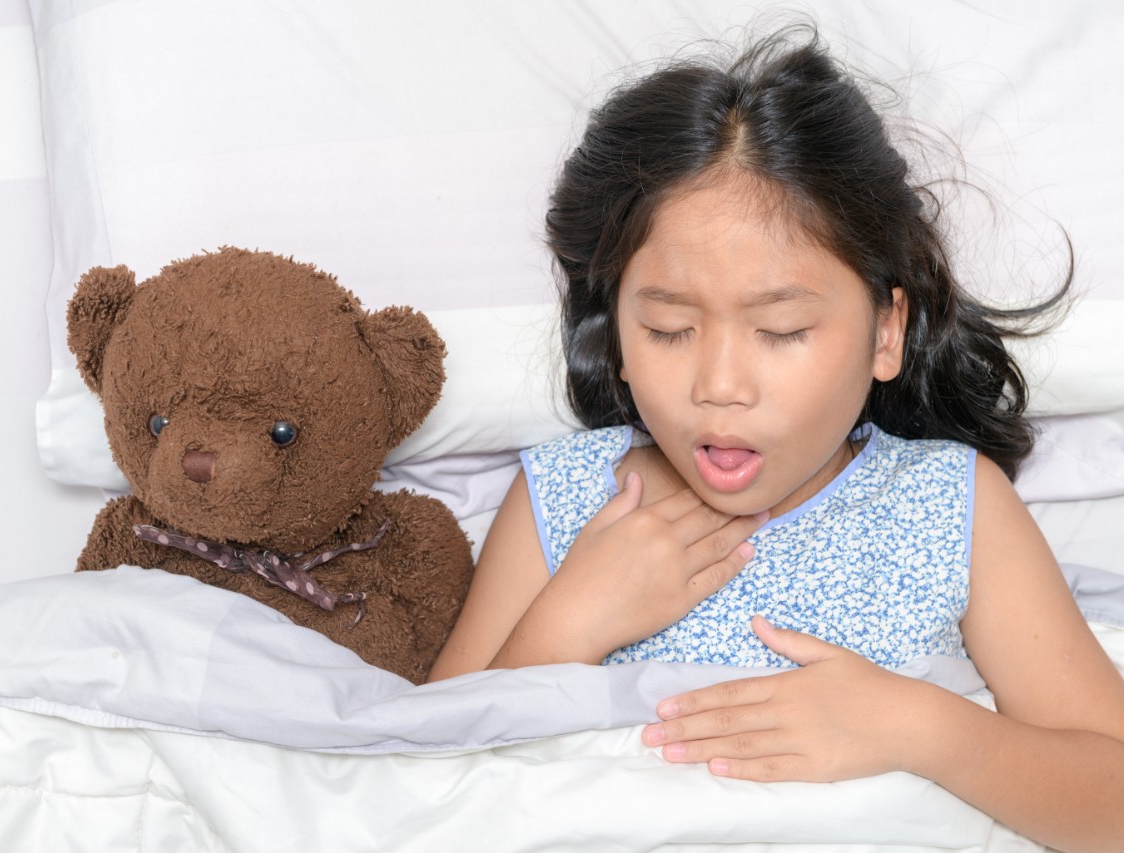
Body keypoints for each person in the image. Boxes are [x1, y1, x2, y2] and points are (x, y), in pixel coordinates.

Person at [426, 26, 1124, 852]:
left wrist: (923, 727)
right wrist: (569, 624)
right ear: (613, 331)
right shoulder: (568, 497)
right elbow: (422, 781)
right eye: (670, 328)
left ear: (885, 331)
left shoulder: (954, 504)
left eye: (783, 330)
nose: (721, 385)